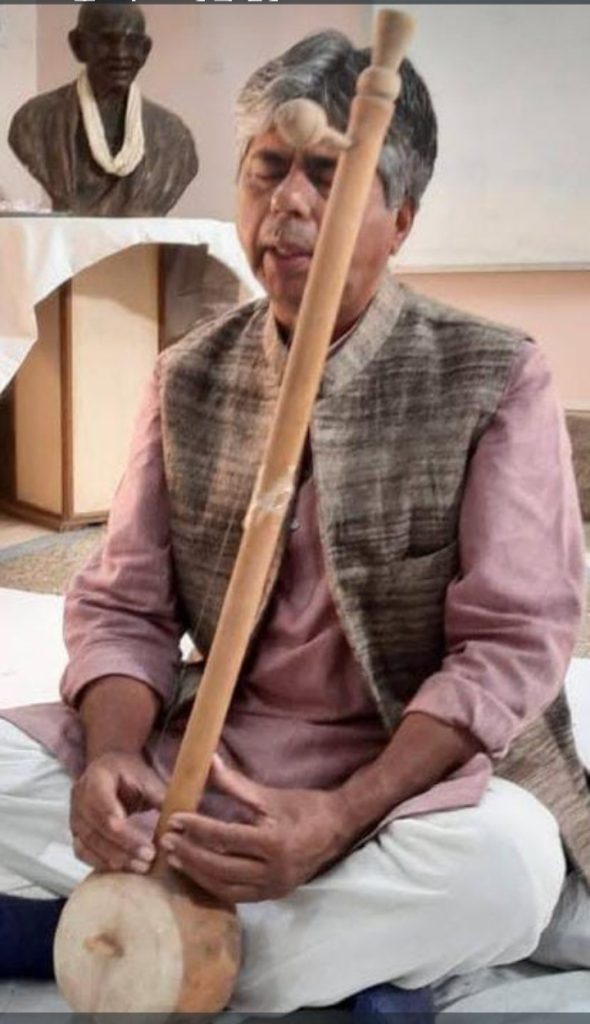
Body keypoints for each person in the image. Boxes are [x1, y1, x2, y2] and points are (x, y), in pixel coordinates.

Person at [1, 29, 589, 1014]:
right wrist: (110, 760)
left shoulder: (494, 376)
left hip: (403, 784)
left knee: (510, 868)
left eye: (329, 175)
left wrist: (335, 820)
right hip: (217, 759)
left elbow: (509, 646)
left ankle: (118, 939)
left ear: (400, 220)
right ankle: (333, 963)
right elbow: (125, 607)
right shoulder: (188, 376)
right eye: (267, 171)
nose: (287, 204)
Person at [7, 4, 198, 217]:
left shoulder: (174, 136)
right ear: (78, 45)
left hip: (141, 239)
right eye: (107, 41)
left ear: (145, 51)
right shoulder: (34, 120)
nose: (120, 54)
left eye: (132, 42)